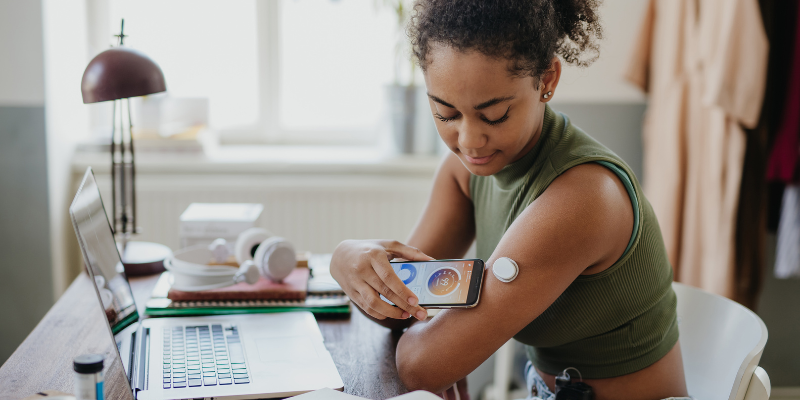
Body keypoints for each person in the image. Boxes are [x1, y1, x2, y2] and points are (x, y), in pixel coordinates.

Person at [330, 1, 689, 399]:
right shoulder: (466, 172)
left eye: (495, 114)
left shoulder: (584, 199)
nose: (468, 141)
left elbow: (422, 365)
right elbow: (400, 305)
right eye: (445, 113)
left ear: (547, 79)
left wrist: (438, 335)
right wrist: (346, 259)